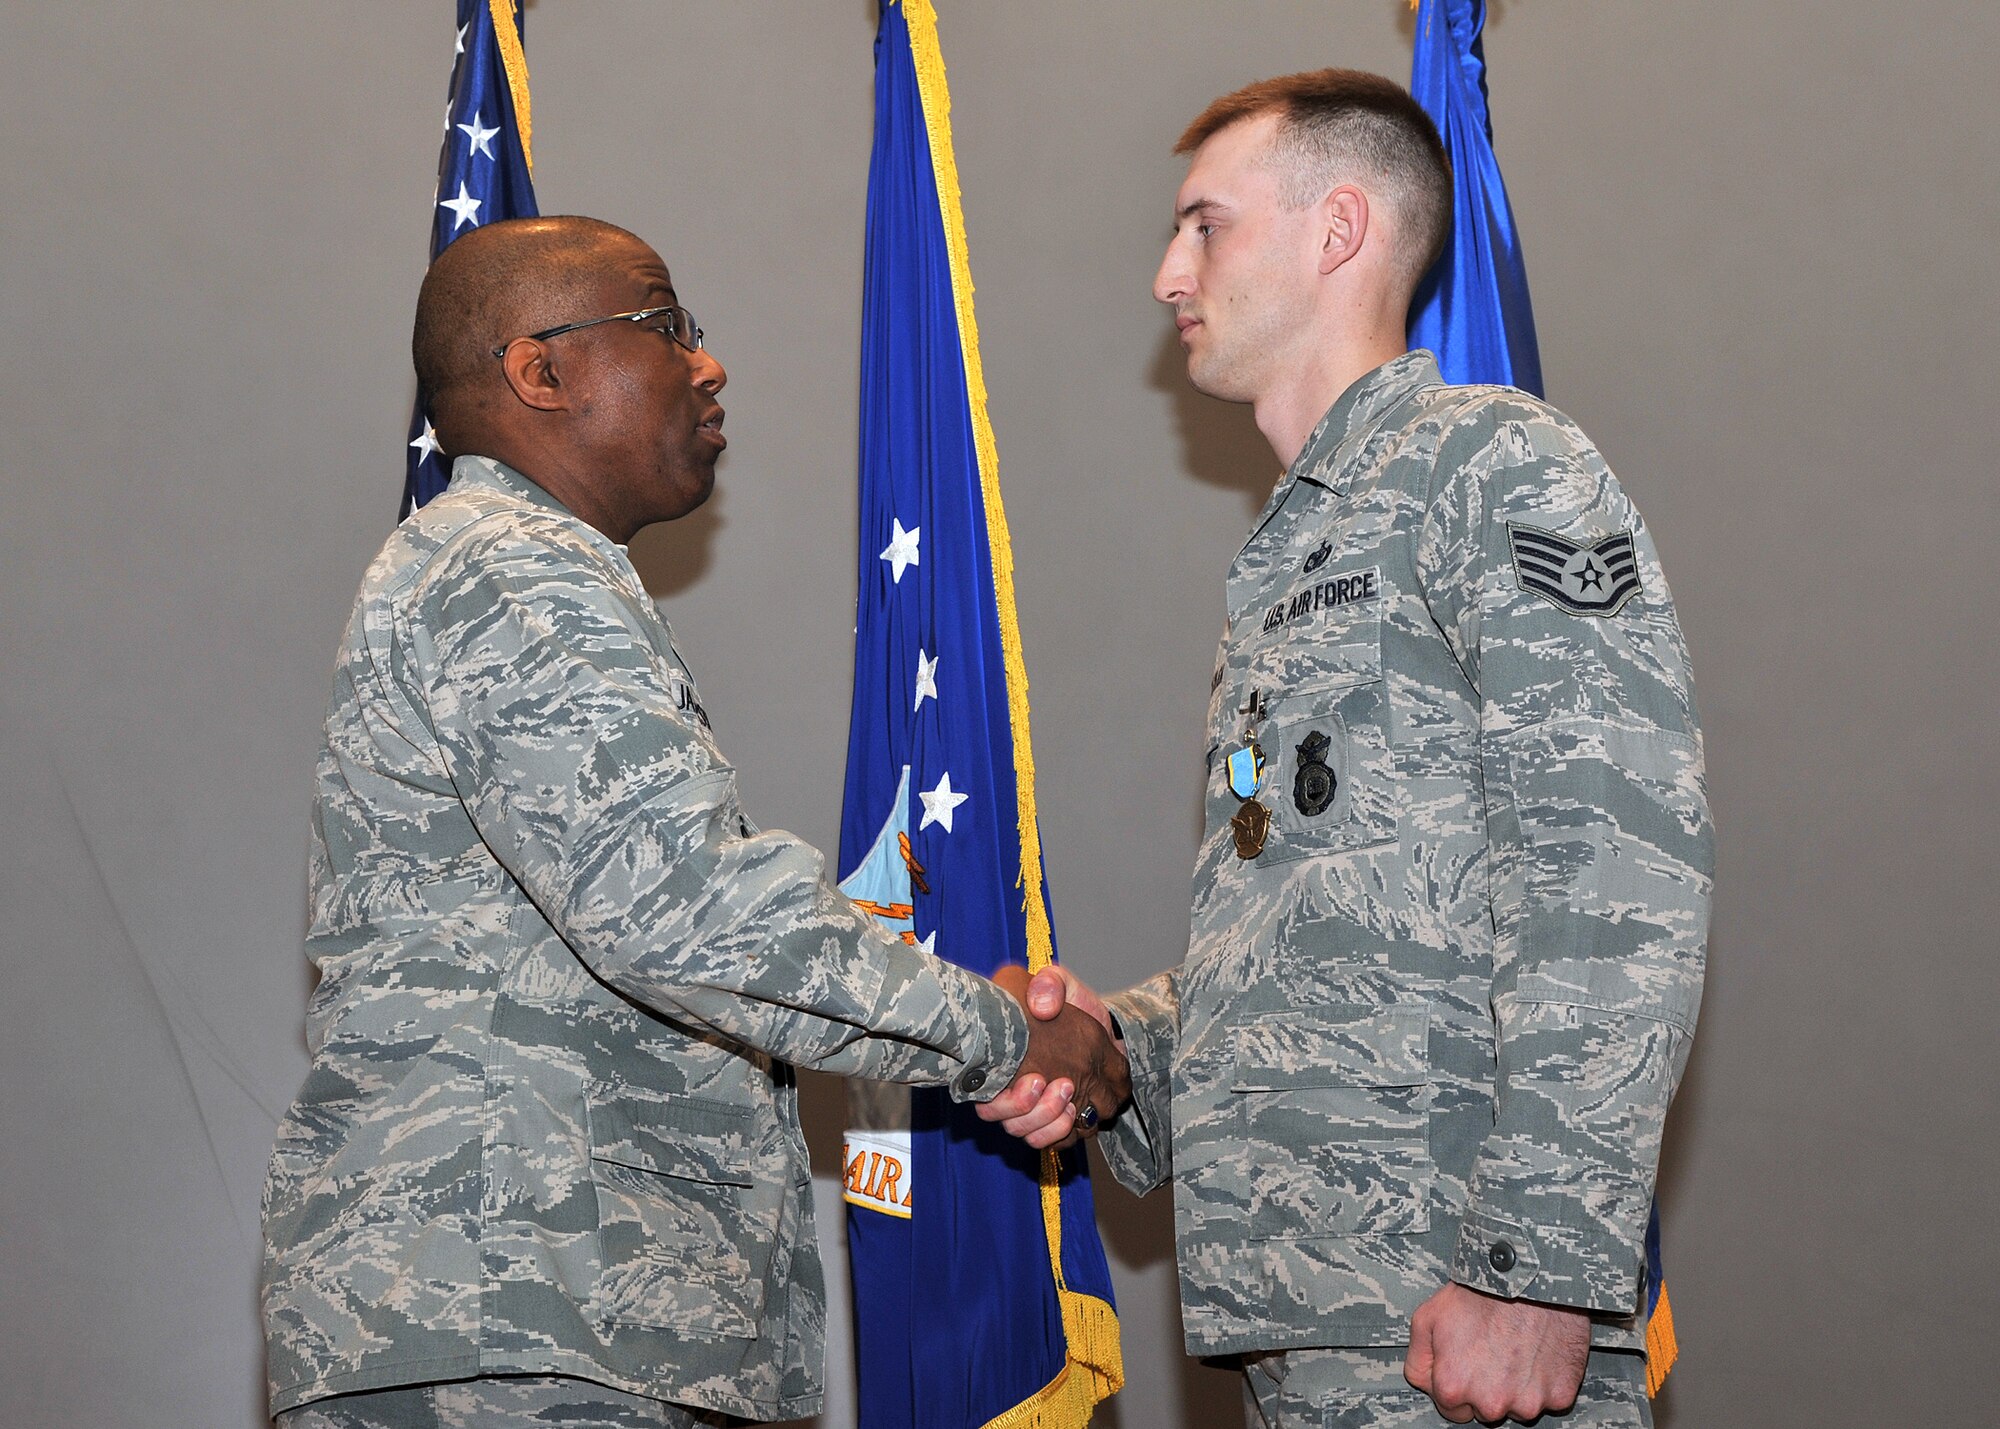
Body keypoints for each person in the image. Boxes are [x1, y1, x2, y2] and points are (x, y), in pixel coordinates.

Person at [259, 215, 1127, 1429]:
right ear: (539, 371)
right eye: (665, 328)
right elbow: (685, 912)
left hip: (556, 1323)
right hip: (523, 1328)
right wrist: (998, 1033)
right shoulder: (510, 566)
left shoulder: (502, 566)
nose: (706, 364)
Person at [980, 70, 1712, 1428]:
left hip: (1457, 1320)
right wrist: (1118, 1051)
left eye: (1206, 226)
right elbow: (1319, 936)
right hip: (1319, 1320)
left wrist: (1536, 1268)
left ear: (1338, 230)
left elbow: (1615, 870)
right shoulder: (1296, 550)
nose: (1165, 274)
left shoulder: (1492, 470)